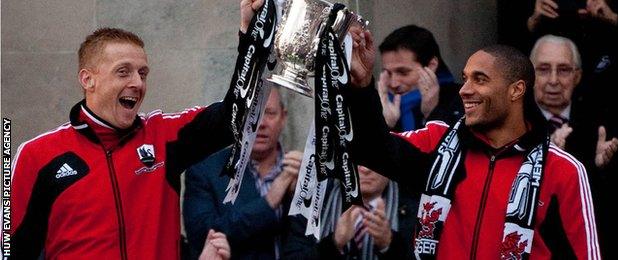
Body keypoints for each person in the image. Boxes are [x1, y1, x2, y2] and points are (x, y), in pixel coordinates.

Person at [9, 0, 264, 259]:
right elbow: (12, 250)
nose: (137, 83)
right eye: (123, 72)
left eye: (143, 73)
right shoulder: (37, 155)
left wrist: (252, 34)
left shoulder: (163, 136)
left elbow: (235, 116)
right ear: (88, 79)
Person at [346, 26, 601, 259]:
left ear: (516, 90)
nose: (464, 89)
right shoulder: (439, 141)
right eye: (465, 78)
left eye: (480, 79)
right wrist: (361, 85)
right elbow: (371, 148)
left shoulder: (563, 170)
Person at [184, 86, 302, 260]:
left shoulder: (300, 172)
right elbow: (202, 236)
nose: (261, 123)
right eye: (253, 112)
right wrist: (268, 202)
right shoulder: (204, 171)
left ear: (283, 118)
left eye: (269, 113)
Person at [531, 34, 618, 259]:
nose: (553, 80)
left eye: (563, 70)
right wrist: (546, 156)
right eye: (543, 69)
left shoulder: (602, 121)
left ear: (577, 76)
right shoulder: (511, 123)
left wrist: (599, 167)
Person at [282, 165, 418, 260]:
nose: (365, 169)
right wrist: (334, 244)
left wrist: (389, 245)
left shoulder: (416, 206)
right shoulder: (311, 202)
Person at [376, 25, 463, 131]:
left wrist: (433, 114)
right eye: (388, 73)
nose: (394, 84)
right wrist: (387, 126)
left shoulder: (463, 100)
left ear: (431, 65)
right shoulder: (379, 106)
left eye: (403, 72)